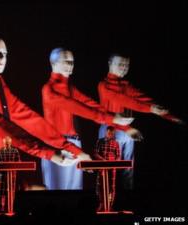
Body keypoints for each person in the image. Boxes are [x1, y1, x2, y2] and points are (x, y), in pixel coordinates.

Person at [0, 35, 91, 190]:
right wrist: (50, 154)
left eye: (4, 54)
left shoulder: (0, 87)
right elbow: (7, 130)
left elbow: (30, 119)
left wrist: (73, 149)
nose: (1, 58)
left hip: (7, 175)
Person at [41, 48, 138, 190]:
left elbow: (90, 103)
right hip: (57, 145)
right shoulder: (48, 89)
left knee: (75, 190)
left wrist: (113, 116)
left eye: (72, 62)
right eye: (66, 61)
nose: (71, 65)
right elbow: (81, 109)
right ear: (53, 63)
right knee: (56, 192)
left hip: (74, 143)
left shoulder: (70, 88)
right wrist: (112, 118)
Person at [98, 53, 183, 189]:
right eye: (121, 64)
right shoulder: (103, 85)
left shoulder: (126, 85)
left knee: (128, 171)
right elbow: (125, 101)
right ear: (110, 63)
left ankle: (127, 201)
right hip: (112, 130)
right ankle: (107, 205)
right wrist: (149, 109)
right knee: (109, 171)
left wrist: (172, 117)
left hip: (128, 132)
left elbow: (146, 100)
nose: (124, 68)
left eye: (127, 65)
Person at [93, 126, 120, 212]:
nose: (110, 134)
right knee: (100, 185)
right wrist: (103, 160)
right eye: (108, 132)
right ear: (106, 132)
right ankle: (101, 204)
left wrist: (116, 161)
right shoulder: (100, 141)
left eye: (111, 133)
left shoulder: (116, 143)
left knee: (111, 186)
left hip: (112, 167)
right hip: (102, 165)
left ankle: (110, 205)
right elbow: (95, 153)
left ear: (113, 134)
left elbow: (118, 155)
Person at [0, 136, 20, 211]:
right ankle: (2, 206)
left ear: (10, 143)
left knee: (12, 190)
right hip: (3, 173)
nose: (7, 144)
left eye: (8, 142)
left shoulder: (15, 151)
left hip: (12, 174)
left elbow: (18, 161)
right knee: (2, 190)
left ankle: (12, 206)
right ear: (3, 142)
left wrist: (13, 164)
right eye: (5, 142)